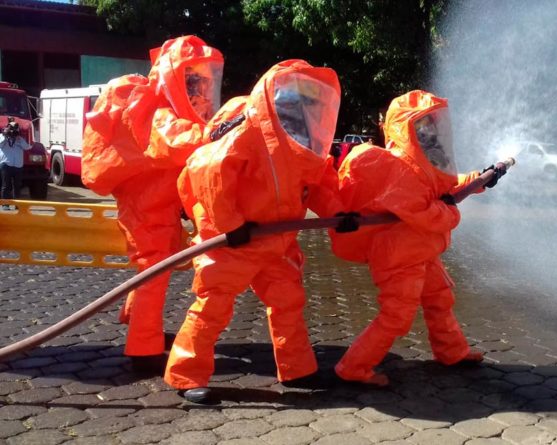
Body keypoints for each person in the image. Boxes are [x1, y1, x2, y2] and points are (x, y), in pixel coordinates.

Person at [164, 59, 349, 403]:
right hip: (234, 240)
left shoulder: (304, 141)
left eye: (310, 101)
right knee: (214, 304)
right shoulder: (248, 130)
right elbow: (210, 175)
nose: (303, 108)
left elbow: (320, 180)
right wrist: (231, 226)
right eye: (296, 100)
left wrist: (339, 213)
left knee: (288, 301)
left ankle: (296, 368)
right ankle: (185, 374)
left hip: (275, 240)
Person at [328, 90, 505, 386]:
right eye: (424, 126)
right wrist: (451, 213)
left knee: (440, 299)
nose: (432, 132)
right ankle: (353, 367)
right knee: (397, 315)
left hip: (419, 252)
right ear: (407, 129)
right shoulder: (397, 171)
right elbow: (428, 211)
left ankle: (452, 351)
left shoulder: (422, 162)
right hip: (399, 257)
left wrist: (480, 178)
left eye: (434, 124)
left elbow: (444, 184)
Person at [81, 35, 224, 373]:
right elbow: (173, 141)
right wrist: (216, 133)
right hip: (145, 209)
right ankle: (143, 351)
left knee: (153, 270)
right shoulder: (151, 110)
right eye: (193, 80)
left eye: (204, 81)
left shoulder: (163, 108)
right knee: (153, 272)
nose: (201, 90)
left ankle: (136, 321)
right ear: (175, 76)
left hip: (155, 207)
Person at [0, 119, 31, 207]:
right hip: (6, 164)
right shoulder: (2, 137)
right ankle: (5, 205)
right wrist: (6, 136)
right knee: (6, 185)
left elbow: (27, 147)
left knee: (17, 186)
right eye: (11, 129)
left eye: (14, 129)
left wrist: (19, 139)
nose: (12, 131)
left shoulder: (20, 139)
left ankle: (17, 205)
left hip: (18, 165)